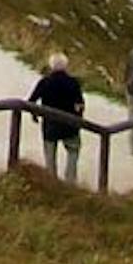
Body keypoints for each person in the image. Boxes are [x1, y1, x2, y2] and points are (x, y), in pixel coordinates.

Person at [29, 53, 86, 181]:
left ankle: (52, 181)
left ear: (51, 66)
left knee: (50, 155)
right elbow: (80, 104)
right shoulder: (73, 83)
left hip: (50, 125)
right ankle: (70, 180)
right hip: (70, 125)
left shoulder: (44, 82)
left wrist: (35, 115)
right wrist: (79, 118)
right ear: (66, 66)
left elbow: (31, 101)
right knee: (73, 151)